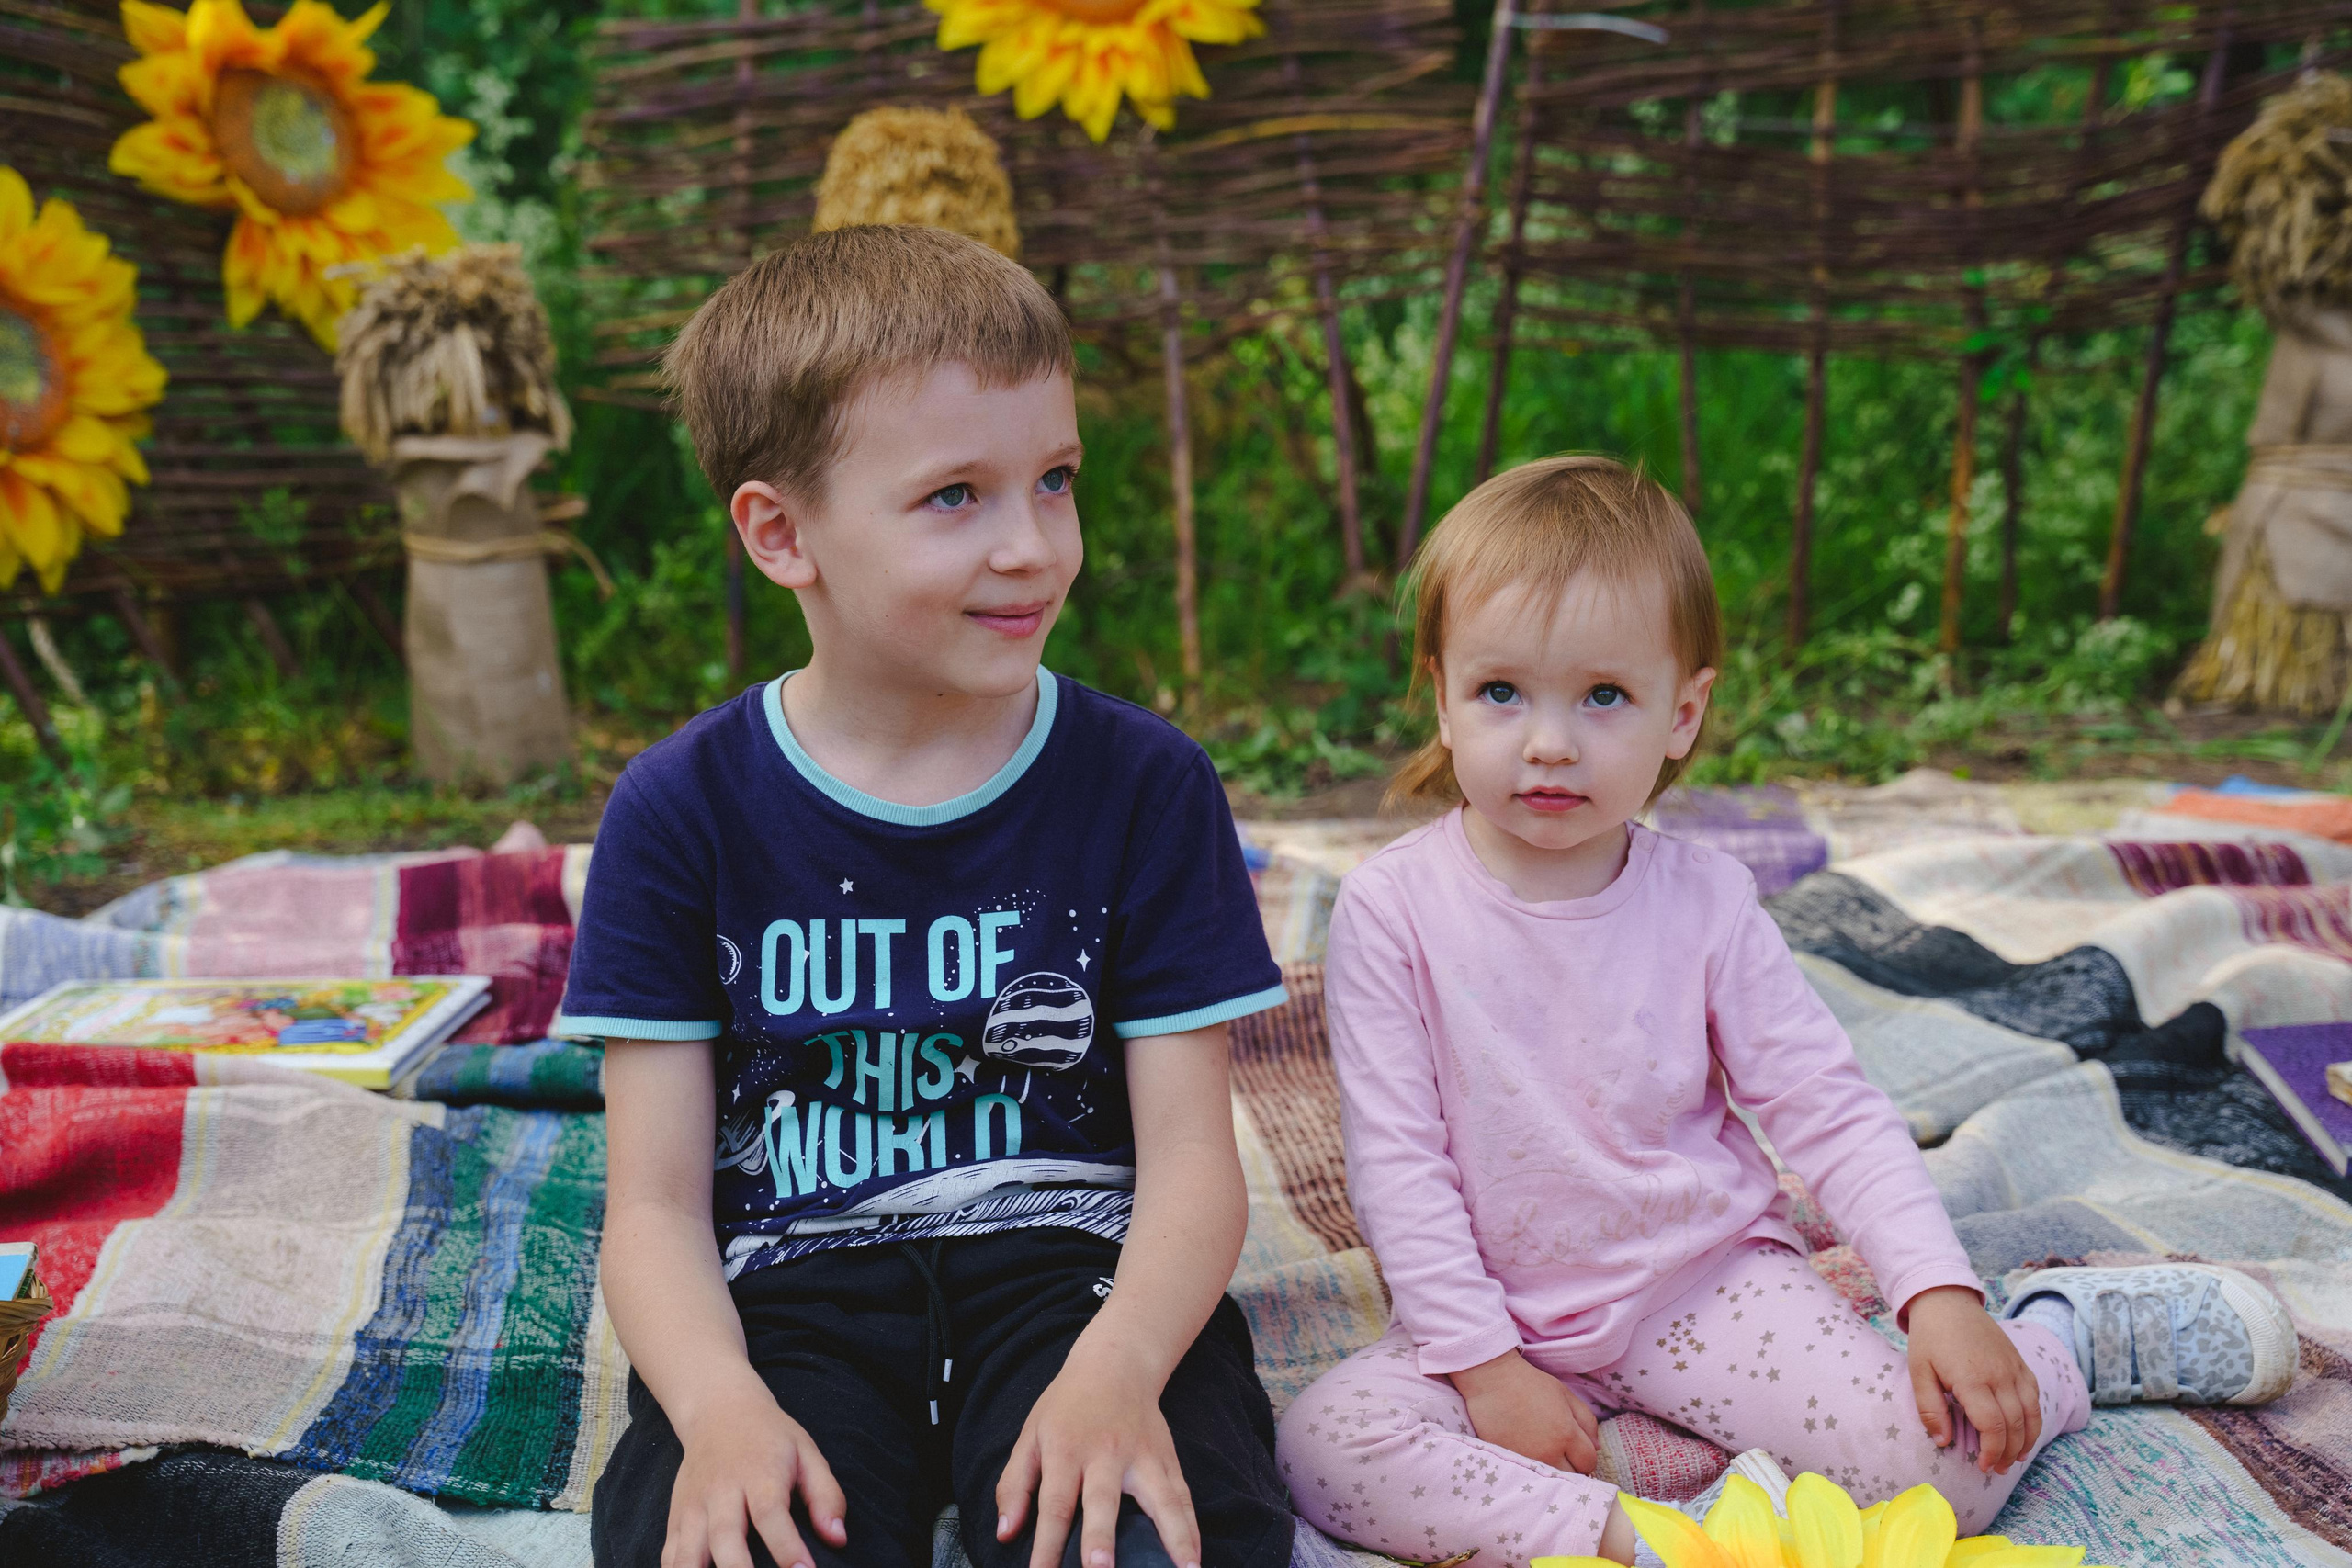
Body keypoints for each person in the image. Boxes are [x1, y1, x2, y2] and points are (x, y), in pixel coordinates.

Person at [1274, 456, 2300, 1566]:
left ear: (1684, 712)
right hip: (1490, 1311)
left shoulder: (1705, 905)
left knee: (1945, 1471)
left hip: (1697, 1286)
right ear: (1441, 693)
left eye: (1603, 696)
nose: (1549, 742)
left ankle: (2057, 1336)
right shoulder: (1392, 911)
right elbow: (1398, 1166)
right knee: (1322, 1448)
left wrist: (1936, 1295)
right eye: (1500, 693)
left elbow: (1829, 1108)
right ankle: (1644, 1544)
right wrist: (1483, 1367)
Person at [562, 225, 1295, 1568]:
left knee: (1156, 1536)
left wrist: (1121, 1366)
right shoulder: (680, 811)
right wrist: (720, 1405)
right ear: (783, 533)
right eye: (956, 495)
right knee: (728, 1534)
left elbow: (1194, 1156)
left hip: (1082, 1273)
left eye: (1056, 480)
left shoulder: (1144, 782)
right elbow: (656, 1207)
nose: (1033, 545)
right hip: (790, 1295)